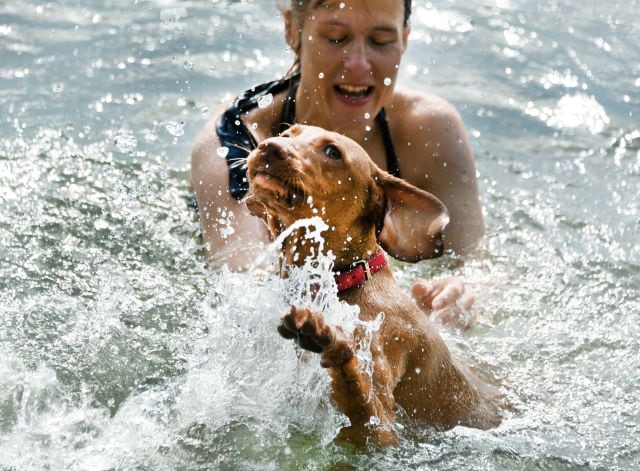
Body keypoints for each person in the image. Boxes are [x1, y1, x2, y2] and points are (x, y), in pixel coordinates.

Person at [191, 0, 481, 319]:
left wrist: (460, 293)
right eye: (335, 37)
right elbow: (246, 288)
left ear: (405, 39)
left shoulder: (430, 129)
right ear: (292, 30)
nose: (358, 64)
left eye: (380, 41)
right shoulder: (237, 143)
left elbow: (477, 263)